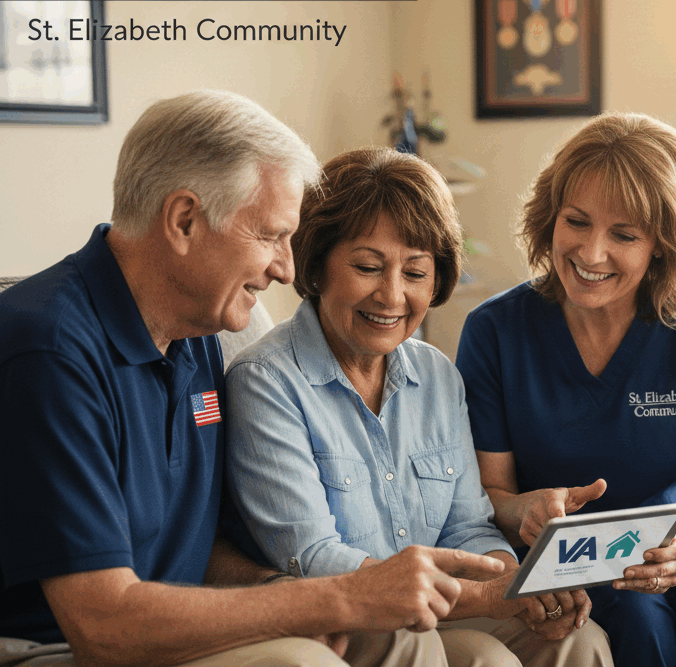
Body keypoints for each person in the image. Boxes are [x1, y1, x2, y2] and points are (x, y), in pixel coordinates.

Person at [0, 90, 509, 667]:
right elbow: (102, 624)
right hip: (58, 648)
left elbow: (197, 543)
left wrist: (281, 595)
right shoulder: (50, 351)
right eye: (269, 236)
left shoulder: (198, 339)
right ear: (185, 219)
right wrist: (327, 598)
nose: (288, 268)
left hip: (181, 627)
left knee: (416, 644)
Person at [223, 147, 612, 667]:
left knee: (577, 641)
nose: (391, 295)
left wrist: (523, 583)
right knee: (482, 659)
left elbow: (468, 527)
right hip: (342, 615)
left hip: (443, 605)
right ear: (316, 267)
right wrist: (483, 597)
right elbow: (312, 559)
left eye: (415, 273)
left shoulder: (436, 375)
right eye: (367, 267)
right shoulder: (266, 382)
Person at [455, 112, 676, 667]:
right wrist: (522, 510)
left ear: (662, 244)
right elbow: (489, 496)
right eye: (576, 222)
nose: (591, 253)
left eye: (623, 235)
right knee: (634, 616)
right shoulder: (495, 331)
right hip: (572, 557)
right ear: (548, 218)